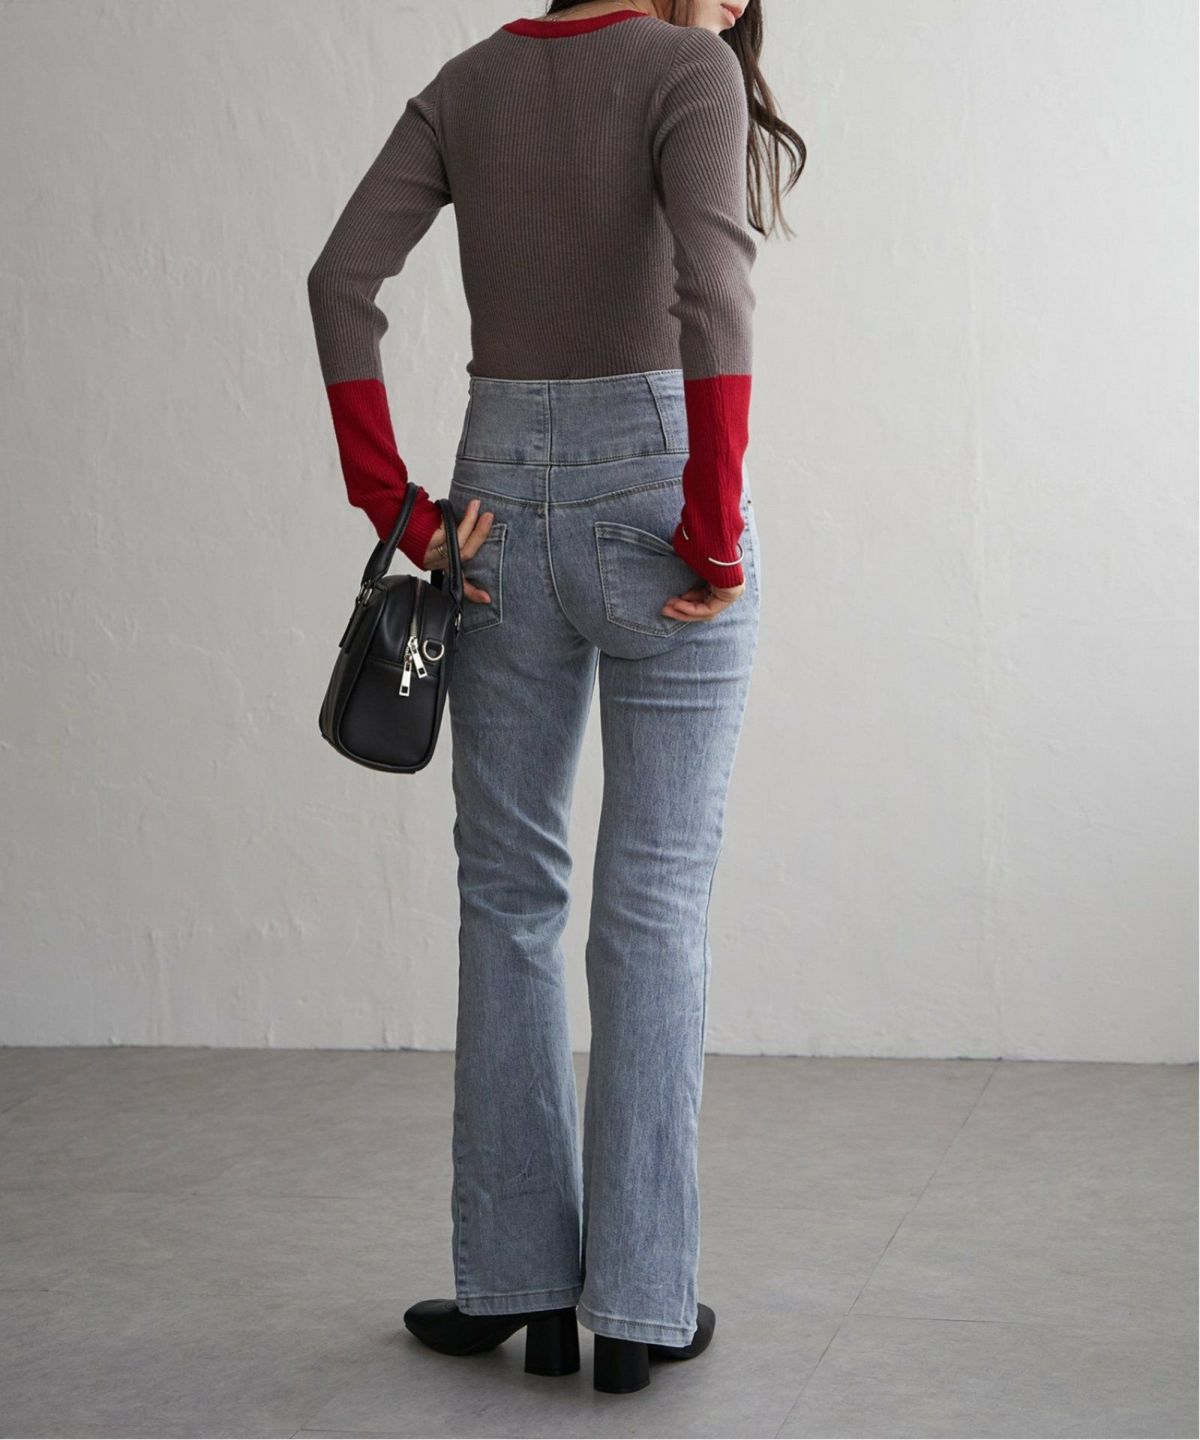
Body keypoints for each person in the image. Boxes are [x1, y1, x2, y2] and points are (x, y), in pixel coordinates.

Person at [307, 0, 804, 1396]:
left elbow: (339, 280)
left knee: (508, 892)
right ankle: (639, 1305)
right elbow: (715, 292)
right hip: (658, 493)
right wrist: (712, 528)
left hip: (492, 501)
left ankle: (522, 1287)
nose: (738, 4)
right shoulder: (687, 70)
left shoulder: (465, 85)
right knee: (654, 904)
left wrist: (398, 507)